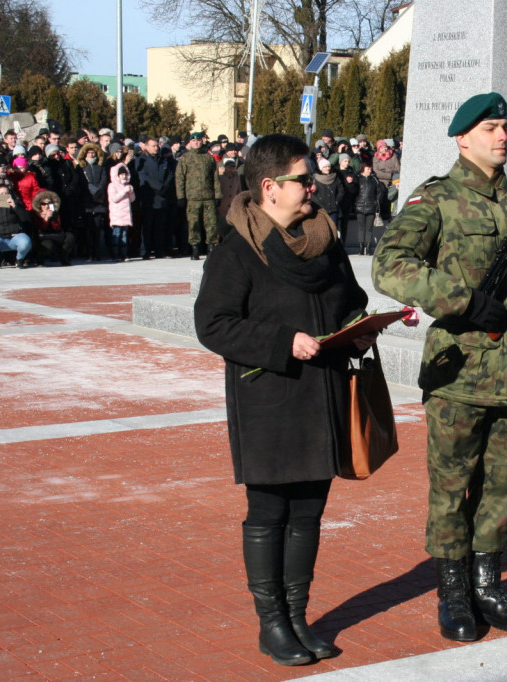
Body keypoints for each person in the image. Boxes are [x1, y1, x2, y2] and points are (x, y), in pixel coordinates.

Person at [371, 92, 507, 642]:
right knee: (452, 488)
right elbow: (389, 266)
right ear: (463, 137)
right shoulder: (437, 199)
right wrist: (460, 298)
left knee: (501, 486)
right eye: (491, 127)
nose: (502, 135)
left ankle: (488, 586)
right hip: (461, 374)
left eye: (504, 125)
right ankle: (453, 594)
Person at [193, 134, 375, 666]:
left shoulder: (324, 238)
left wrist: (359, 328)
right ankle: (271, 624)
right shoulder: (236, 250)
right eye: (303, 179)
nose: (313, 188)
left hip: (321, 393)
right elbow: (213, 324)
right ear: (270, 187)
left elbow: (351, 299)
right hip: (268, 396)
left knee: (310, 512)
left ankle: (298, 616)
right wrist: (282, 342)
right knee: (269, 511)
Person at [176, 132, 222, 260]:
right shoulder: (185, 159)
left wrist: (218, 195)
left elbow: (215, 178)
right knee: (193, 224)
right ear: (190, 142)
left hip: (208, 197)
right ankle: (195, 248)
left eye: (198, 141)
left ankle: (211, 247)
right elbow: (180, 179)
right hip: (192, 198)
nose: (196, 143)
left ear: (202, 141)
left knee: (211, 224)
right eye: (194, 141)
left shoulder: (208, 158)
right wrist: (181, 197)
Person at [0, 184, 32, 268]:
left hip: (15, 236)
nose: (4, 196)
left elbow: (26, 219)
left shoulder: (16, 203)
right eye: (2, 194)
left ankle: (19, 260)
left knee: (26, 242)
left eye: (6, 193)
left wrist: (15, 207)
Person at [352, 163, 383, 256]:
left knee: (369, 228)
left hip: (371, 206)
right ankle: (361, 247)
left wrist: (376, 203)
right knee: (361, 228)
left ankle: (368, 248)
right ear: (363, 170)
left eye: (370, 169)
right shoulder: (358, 179)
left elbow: (380, 192)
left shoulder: (374, 179)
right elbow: (353, 191)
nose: (369, 171)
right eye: (367, 169)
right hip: (360, 205)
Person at [107, 163, 135, 261]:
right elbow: (114, 198)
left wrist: (131, 192)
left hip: (126, 215)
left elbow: (132, 200)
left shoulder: (127, 185)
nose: (124, 176)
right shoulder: (112, 186)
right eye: (122, 174)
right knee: (117, 235)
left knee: (124, 236)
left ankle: (124, 255)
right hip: (117, 215)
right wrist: (124, 191)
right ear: (117, 175)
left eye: (125, 174)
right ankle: (115, 255)